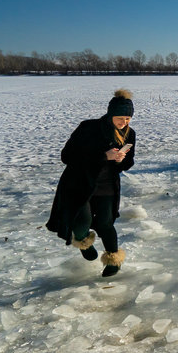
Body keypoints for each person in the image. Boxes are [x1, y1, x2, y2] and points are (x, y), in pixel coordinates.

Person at [46, 89, 136, 277]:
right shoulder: (88, 128)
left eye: (128, 119)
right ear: (110, 114)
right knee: (82, 220)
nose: (124, 122)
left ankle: (114, 260)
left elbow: (128, 162)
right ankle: (83, 242)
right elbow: (67, 156)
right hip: (80, 183)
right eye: (121, 118)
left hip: (107, 185)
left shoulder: (129, 134)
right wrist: (103, 156)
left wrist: (121, 161)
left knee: (105, 223)